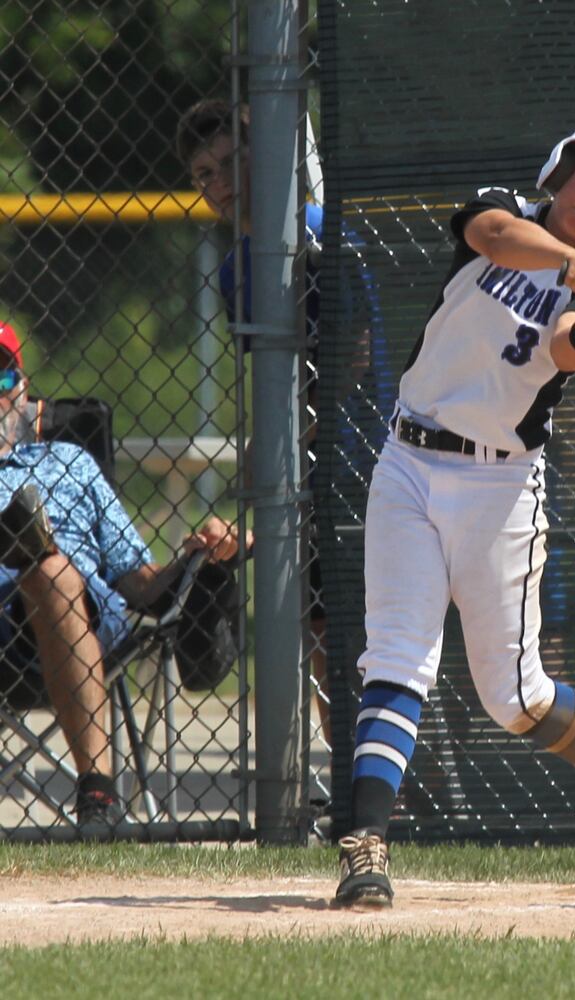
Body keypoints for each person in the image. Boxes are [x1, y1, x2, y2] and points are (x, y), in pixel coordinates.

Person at [332, 107, 575, 909]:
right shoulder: (504, 208)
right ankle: (364, 848)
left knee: (516, 699)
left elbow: (564, 353)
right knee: (396, 656)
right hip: (407, 460)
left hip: (498, 487)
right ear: (562, 166)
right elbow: (494, 237)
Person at [176, 98, 391, 744]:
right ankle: (361, 786)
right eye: (201, 176)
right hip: (305, 465)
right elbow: (275, 382)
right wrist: (266, 449)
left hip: (362, 458)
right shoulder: (238, 265)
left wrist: (287, 443)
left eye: (227, 163)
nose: (216, 184)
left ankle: (415, 787)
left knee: (372, 637)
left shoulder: (320, 232)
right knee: (322, 630)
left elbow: (349, 356)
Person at [0, 322, 245, 836]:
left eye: (0, 378)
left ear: (21, 390)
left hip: (93, 626)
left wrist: (202, 553)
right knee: (49, 572)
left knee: (54, 572)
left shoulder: (68, 462)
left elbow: (139, 580)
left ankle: (96, 798)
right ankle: (98, 795)